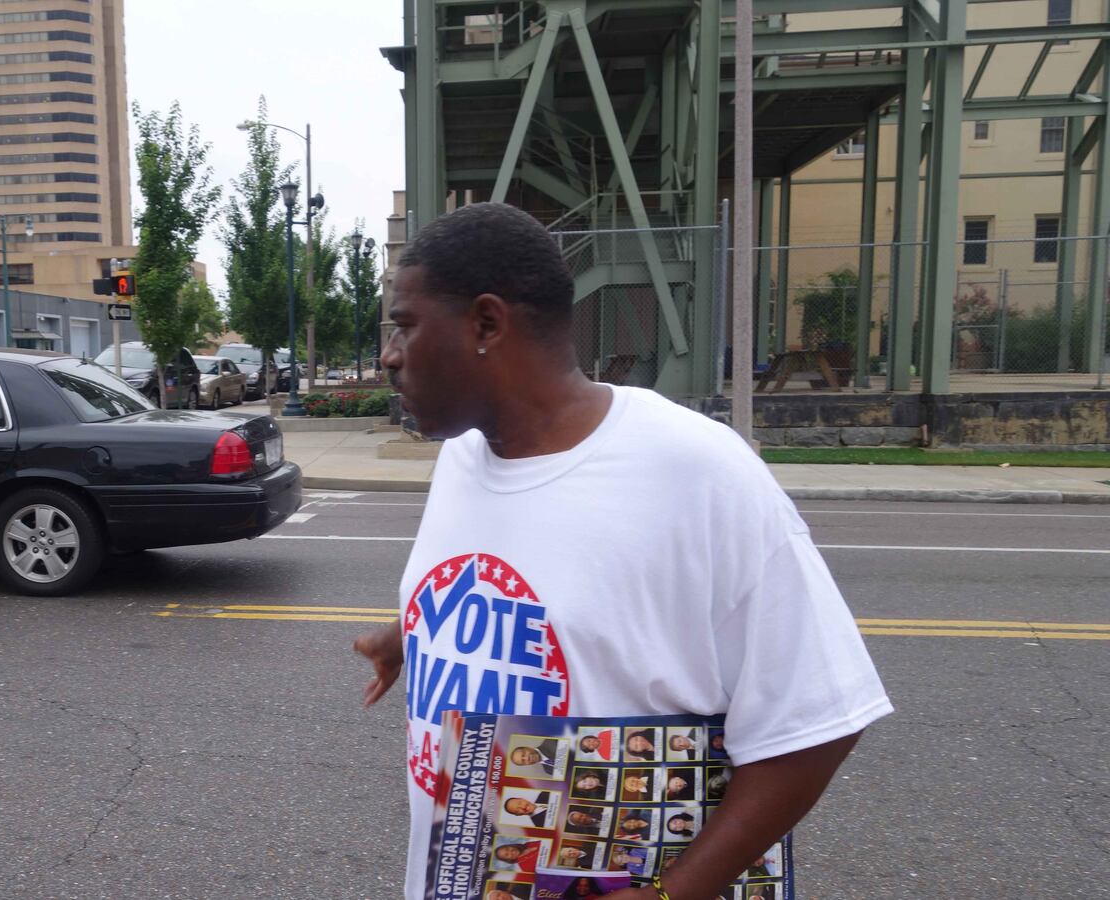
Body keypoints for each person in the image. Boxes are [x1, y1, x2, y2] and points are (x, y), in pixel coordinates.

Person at [351, 202, 892, 900]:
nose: (389, 356)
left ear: (487, 324)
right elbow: (543, 591)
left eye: (404, 326)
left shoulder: (693, 468)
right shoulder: (462, 458)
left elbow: (817, 721)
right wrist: (412, 633)